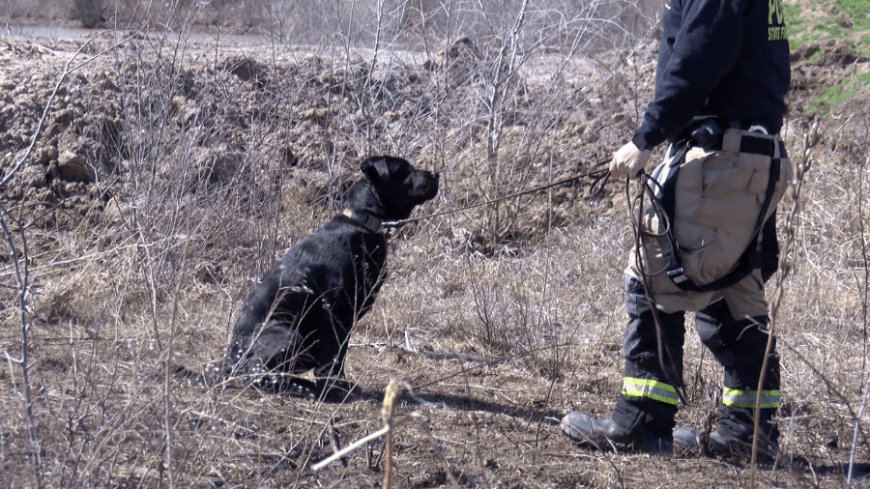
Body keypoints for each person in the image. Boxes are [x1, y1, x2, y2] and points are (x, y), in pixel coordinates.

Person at [560, 0, 793, 459]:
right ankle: (749, 433)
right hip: (752, 157)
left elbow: (698, 57)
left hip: (721, 160)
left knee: (650, 276)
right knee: (732, 288)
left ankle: (642, 422)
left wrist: (646, 137)